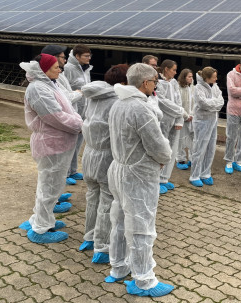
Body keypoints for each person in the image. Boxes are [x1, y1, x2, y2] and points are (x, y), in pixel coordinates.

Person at [105, 63, 174, 297]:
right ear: (145, 83)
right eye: (155, 81)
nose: (156, 85)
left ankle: (118, 268)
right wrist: (164, 159)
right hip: (138, 174)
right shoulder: (140, 108)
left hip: (119, 169)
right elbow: (157, 144)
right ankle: (144, 279)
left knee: (120, 220)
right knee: (142, 226)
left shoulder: (118, 103)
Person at [18, 54, 83, 243]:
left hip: (58, 142)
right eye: (56, 67)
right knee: (49, 187)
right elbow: (56, 117)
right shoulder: (38, 89)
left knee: (51, 186)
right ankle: (40, 229)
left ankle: (42, 219)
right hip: (51, 143)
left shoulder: (49, 84)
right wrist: (80, 124)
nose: (60, 69)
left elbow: (66, 107)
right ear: (44, 70)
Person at [78, 64, 129, 263]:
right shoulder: (117, 100)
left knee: (92, 198)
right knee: (107, 202)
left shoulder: (94, 96)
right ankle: (102, 246)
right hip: (107, 156)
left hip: (89, 153)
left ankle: (89, 237)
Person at [40, 44, 82, 211]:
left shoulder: (54, 80)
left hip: (61, 133)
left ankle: (54, 197)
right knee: (50, 174)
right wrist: (79, 94)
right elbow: (57, 112)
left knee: (56, 172)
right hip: (52, 136)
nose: (63, 63)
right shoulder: (40, 87)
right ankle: (49, 207)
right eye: (62, 58)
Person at [189, 67, 225, 187]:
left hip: (213, 121)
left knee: (210, 147)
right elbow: (202, 103)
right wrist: (214, 104)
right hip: (202, 122)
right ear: (207, 77)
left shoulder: (215, 86)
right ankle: (194, 175)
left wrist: (213, 104)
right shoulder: (198, 87)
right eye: (214, 76)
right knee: (199, 148)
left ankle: (206, 173)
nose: (216, 78)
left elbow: (221, 101)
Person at [156, 59, 187, 194]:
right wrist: (180, 112)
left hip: (175, 121)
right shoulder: (158, 83)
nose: (175, 72)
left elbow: (178, 101)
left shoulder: (174, 83)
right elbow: (163, 102)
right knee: (161, 150)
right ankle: (155, 180)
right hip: (163, 120)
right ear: (166, 69)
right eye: (173, 70)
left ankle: (164, 178)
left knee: (172, 150)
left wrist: (179, 119)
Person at [63, 44, 92, 185]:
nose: (89, 58)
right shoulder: (68, 69)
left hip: (84, 112)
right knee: (70, 143)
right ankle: (66, 172)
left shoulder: (86, 69)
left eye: (89, 55)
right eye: (86, 56)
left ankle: (73, 170)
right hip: (73, 110)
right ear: (77, 56)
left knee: (78, 143)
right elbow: (65, 91)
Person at [176, 69, 195, 170]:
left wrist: (192, 115)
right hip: (182, 118)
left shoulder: (192, 88)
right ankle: (180, 159)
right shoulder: (178, 88)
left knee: (192, 139)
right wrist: (186, 116)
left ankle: (192, 159)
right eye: (189, 77)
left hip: (192, 118)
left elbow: (194, 103)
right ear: (184, 77)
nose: (191, 79)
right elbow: (178, 104)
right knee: (180, 139)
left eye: (192, 77)